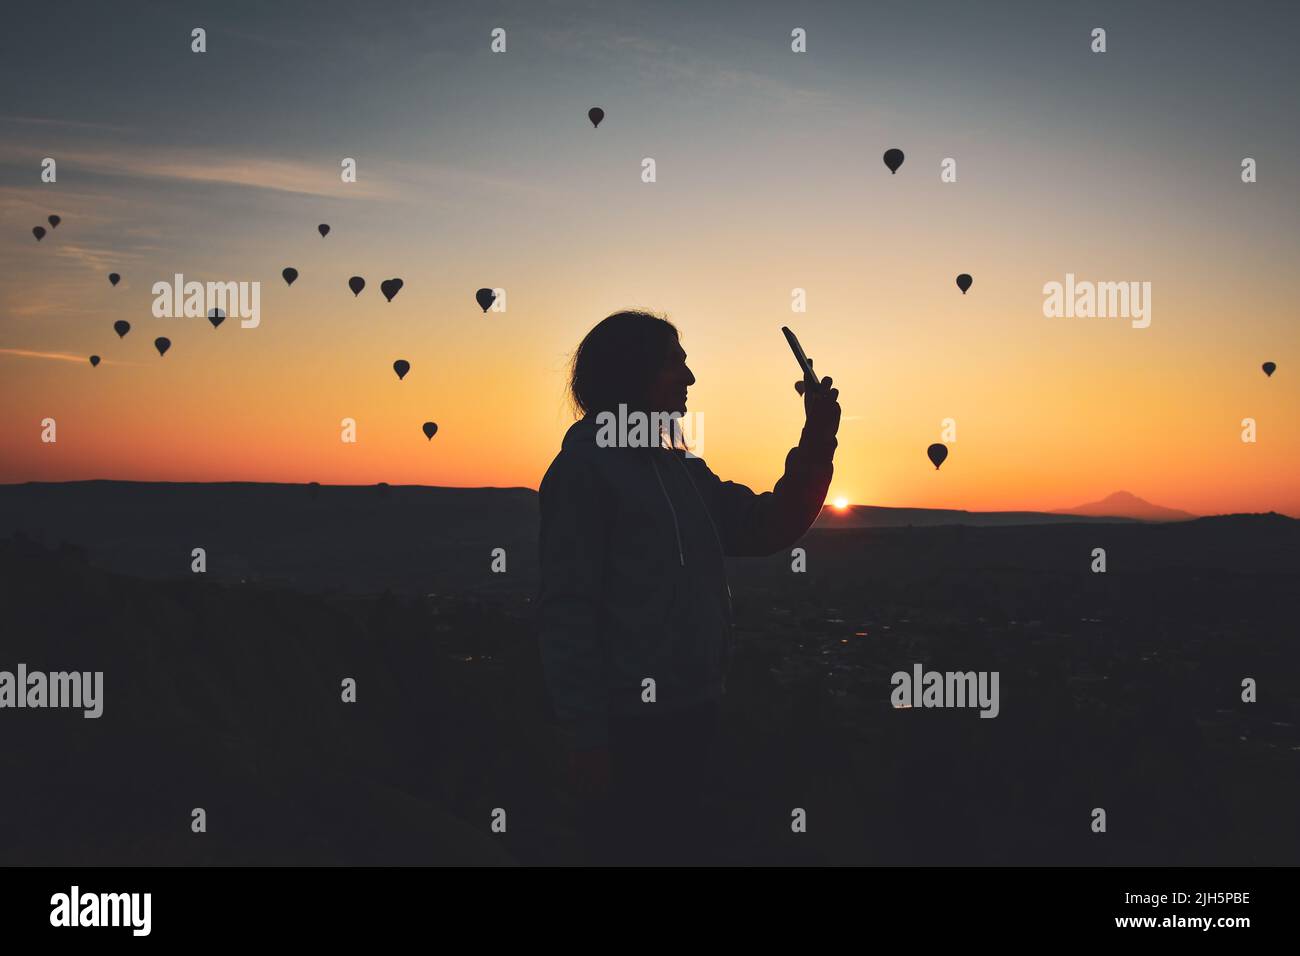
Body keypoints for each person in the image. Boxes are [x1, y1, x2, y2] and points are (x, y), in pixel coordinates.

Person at [537, 310, 840, 865]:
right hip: (629, 730)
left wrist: (817, 441)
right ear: (634, 373)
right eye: (676, 363)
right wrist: (586, 737)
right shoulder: (584, 472)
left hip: (695, 713)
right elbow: (566, 613)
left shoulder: (680, 472)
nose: (690, 379)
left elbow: (766, 525)